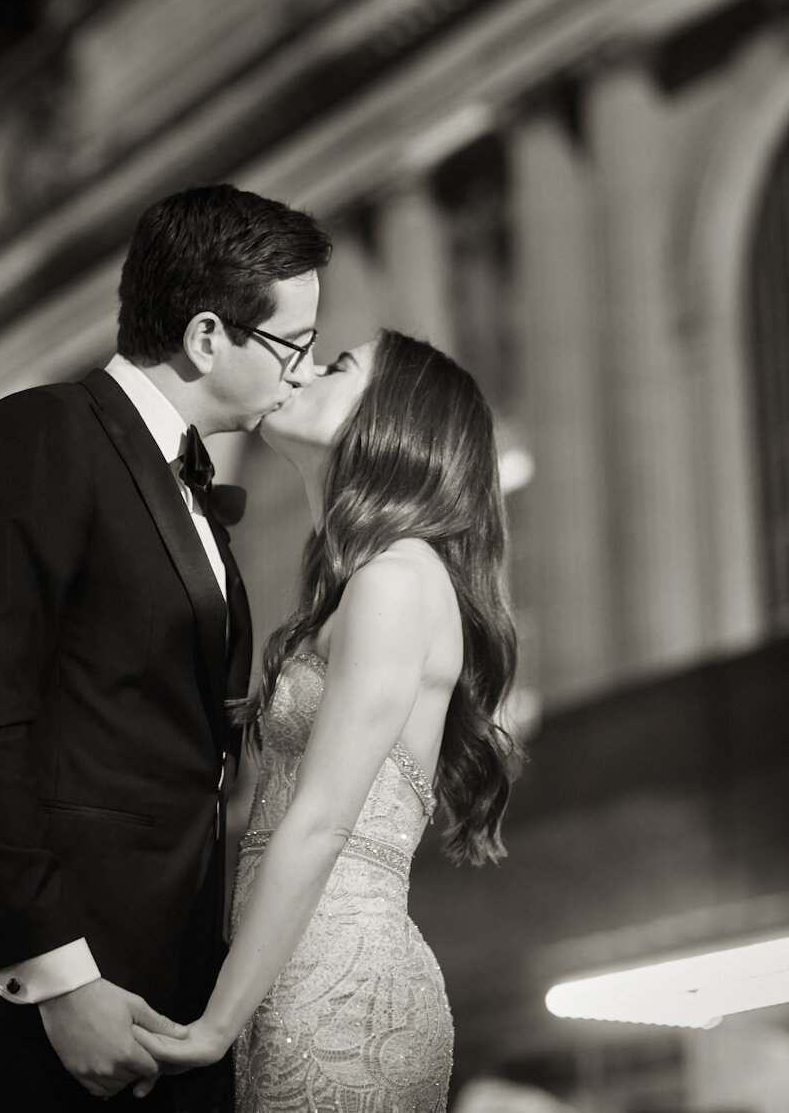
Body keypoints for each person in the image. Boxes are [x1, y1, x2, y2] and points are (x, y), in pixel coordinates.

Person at [0, 184, 332, 1111]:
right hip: (19, 994)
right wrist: (59, 981)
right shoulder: (34, 439)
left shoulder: (186, 484)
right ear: (206, 337)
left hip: (154, 983)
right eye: (293, 345)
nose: (303, 372)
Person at [134, 330, 523, 1112]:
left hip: (338, 995)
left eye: (337, 365)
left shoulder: (398, 580)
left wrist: (213, 1026)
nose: (302, 367)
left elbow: (318, 821)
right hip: (285, 977)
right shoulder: (363, 589)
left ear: (394, 420)